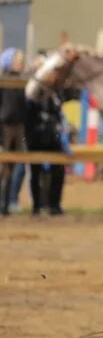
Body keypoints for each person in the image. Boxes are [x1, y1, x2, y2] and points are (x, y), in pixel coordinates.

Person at [24, 81, 67, 215]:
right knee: (35, 172)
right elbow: (28, 116)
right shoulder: (33, 96)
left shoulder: (55, 96)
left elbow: (58, 115)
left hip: (53, 137)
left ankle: (54, 205)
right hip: (36, 138)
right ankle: (37, 205)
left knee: (58, 171)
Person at [1, 47, 27, 215]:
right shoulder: (4, 81)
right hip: (4, 127)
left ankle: (8, 203)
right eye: (17, 60)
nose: (20, 63)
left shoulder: (21, 82)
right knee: (3, 167)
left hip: (18, 127)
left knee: (16, 165)